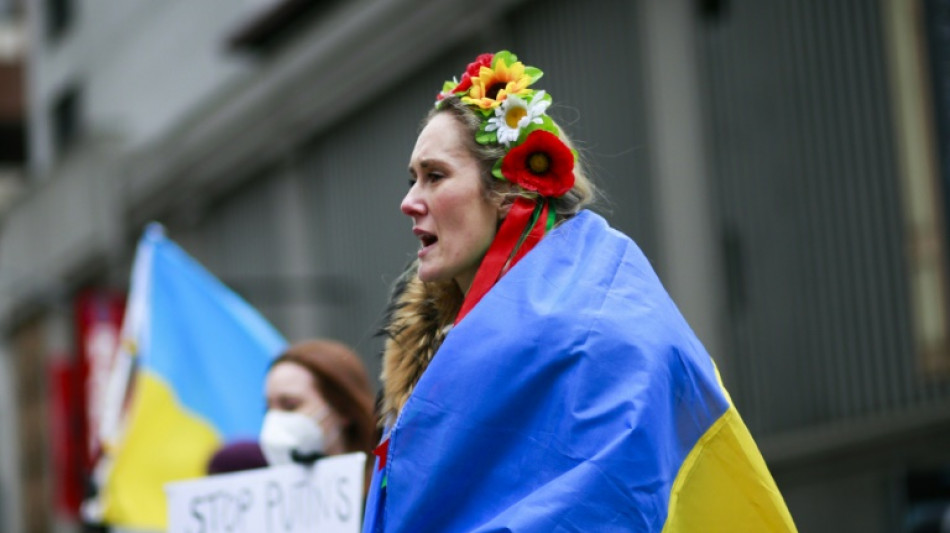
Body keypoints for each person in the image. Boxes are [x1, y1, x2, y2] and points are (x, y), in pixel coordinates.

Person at [362, 51, 797, 532]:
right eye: (412, 179)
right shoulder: (426, 353)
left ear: (509, 189)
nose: (408, 202)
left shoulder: (612, 334)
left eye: (435, 176)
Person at [259, 339, 377, 487]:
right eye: (267, 409)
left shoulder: (384, 498)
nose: (275, 418)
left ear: (342, 408)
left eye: (290, 406)